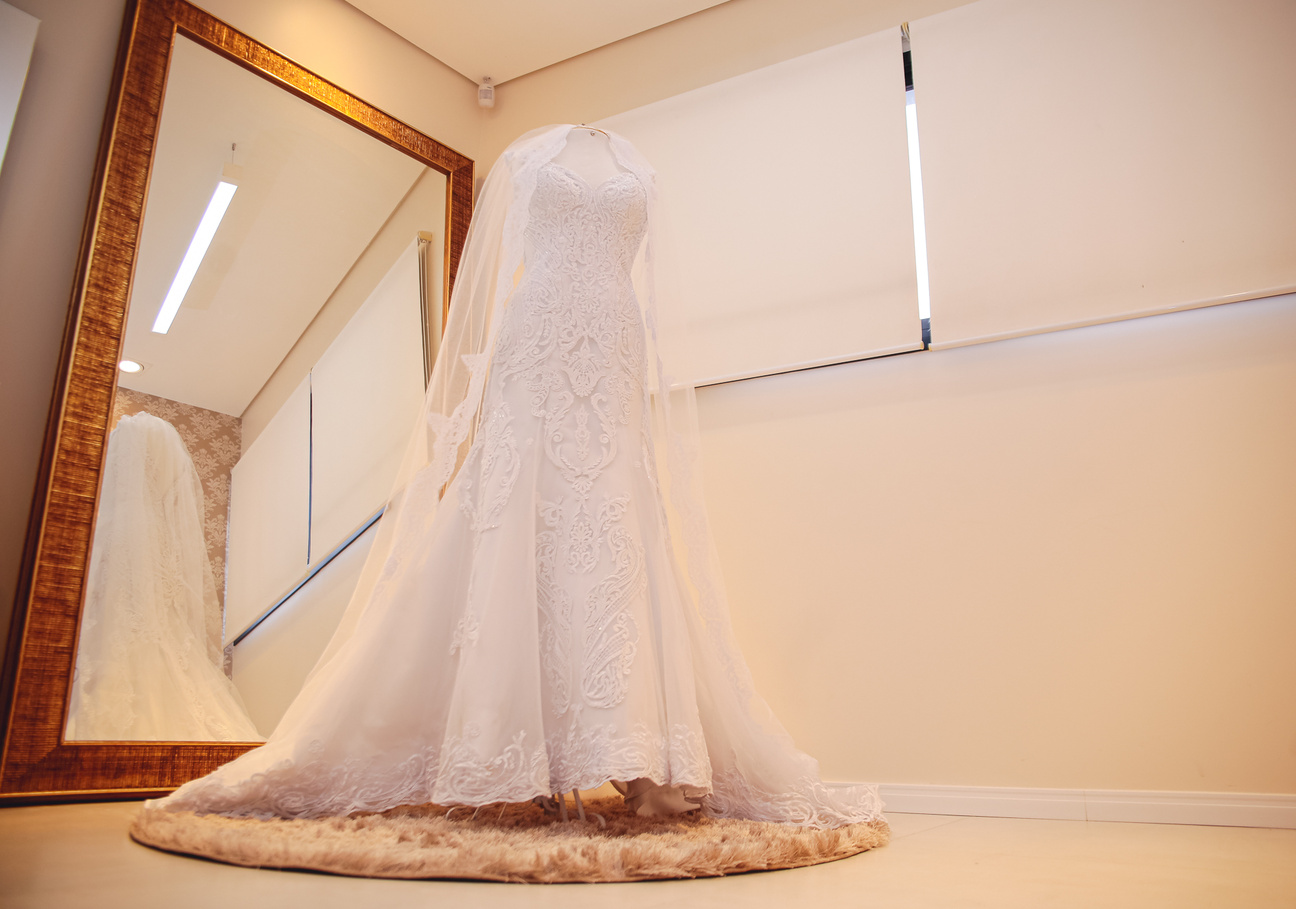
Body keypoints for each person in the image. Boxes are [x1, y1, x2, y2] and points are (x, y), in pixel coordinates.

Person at [152, 125, 881, 828]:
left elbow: (656, 282)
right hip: (537, 337)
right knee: (517, 511)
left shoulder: (641, 169)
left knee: (614, 522)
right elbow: (496, 269)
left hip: (615, 340)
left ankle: (632, 756)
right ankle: (509, 751)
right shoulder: (527, 156)